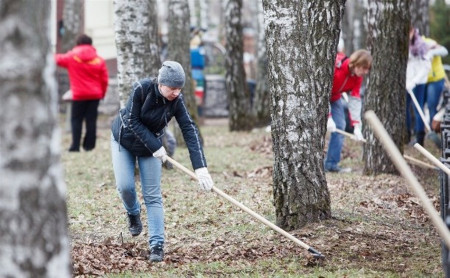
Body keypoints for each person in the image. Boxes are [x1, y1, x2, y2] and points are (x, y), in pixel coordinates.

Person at [110, 61, 214, 263]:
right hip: (124, 139)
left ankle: (156, 245)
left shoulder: (176, 101)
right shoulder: (142, 89)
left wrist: (201, 168)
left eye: (179, 88)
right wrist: (157, 146)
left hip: (150, 148)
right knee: (125, 187)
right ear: (160, 83)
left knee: (153, 196)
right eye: (172, 88)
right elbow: (132, 121)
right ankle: (133, 212)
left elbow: (189, 130)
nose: (176, 92)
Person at [55, 34, 109, 152]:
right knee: (91, 120)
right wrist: (102, 93)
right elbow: (104, 80)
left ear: (78, 44)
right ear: (91, 44)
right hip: (95, 95)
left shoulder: (71, 57)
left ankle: (75, 146)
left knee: (76, 120)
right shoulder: (99, 60)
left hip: (78, 95)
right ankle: (89, 146)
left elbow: (56, 59)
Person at [325, 49, 372, 173]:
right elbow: (322, 91)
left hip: (335, 98)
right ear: (356, 63)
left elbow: (355, 100)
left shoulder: (357, 77)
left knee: (340, 126)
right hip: (319, 97)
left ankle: (331, 165)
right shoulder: (337, 65)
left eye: (367, 69)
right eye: (364, 68)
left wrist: (357, 125)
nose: (365, 72)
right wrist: (328, 117)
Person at [405, 27, 432, 146]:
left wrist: (414, 81)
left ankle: (419, 137)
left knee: (418, 108)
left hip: (418, 82)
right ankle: (406, 135)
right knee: (404, 108)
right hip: (406, 82)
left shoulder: (420, 45)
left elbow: (426, 66)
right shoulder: (403, 44)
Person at [423, 37, 448, 143]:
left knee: (432, 105)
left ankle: (433, 132)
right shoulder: (411, 47)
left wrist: (432, 51)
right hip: (421, 79)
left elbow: (444, 51)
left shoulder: (429, 42)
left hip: (435, 79)